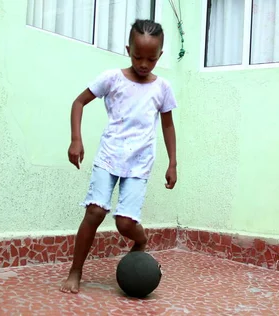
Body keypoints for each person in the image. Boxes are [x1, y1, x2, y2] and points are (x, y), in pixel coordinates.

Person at [60, 19, 177, 294]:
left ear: (160, 55)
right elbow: (79, 102)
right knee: (95, 211)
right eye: (138, 56)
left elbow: (168, 125)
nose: (144, 64)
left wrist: (173, 162)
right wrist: (76, 139)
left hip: (139, 162)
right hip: (110, 155)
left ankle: (141, 240)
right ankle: (75, 271)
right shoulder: (112, 78)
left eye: (151, 58)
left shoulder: (162, 88)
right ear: (128, 49)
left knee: (125, 222)